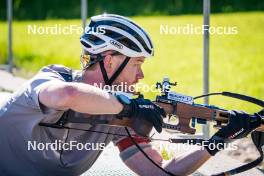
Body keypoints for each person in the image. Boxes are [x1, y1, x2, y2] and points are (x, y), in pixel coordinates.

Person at [0, 14, 261, 176]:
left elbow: (161, 172)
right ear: (109, 60)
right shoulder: (54, 78)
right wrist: (130, 107)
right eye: (137, 64)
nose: (141, 76)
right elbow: (65, 95)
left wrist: (217, 142)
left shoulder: (121, 116)